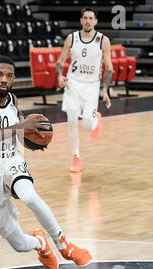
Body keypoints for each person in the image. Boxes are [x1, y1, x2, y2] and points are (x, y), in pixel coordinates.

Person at [0, 56, 92, 269]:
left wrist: (35, 138)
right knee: (19, 244)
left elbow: (19, 132)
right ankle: (41, 243)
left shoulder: (12, 99)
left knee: (29, 196)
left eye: (9, 76)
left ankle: (63, 244)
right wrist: (22, 126)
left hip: (10, 161)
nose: (4, 80)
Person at [56, 7, 113, 173]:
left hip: (92, 85)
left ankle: (96, 120)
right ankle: (76, 157)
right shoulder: (71, 38)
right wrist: (60, 76)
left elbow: (109, 68)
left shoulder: (103, 40)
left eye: (91, 18)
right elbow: (60, 61)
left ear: (95, 21)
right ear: (81, 20)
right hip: (73, 83)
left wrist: (106, 90)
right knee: (72, 120)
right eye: (85, 18)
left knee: (88, 126)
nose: (88, 21)